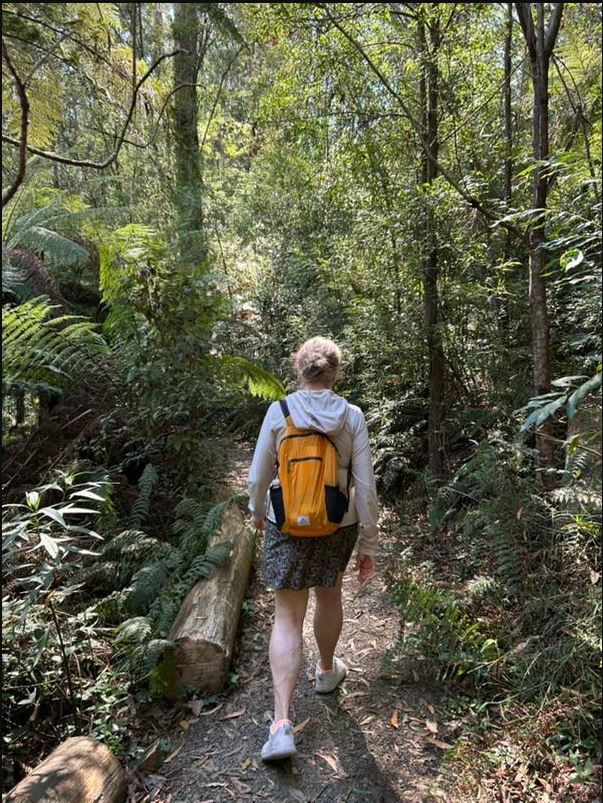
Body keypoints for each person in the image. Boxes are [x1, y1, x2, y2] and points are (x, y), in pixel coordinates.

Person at [247, 336, 379, 761]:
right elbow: (366, 488)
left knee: (287, 615)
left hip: (284, 521)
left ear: (298, 371)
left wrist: (256, 513)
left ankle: (281, 725)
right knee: (329, 593)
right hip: (336, 524)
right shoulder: (351, 416)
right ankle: (326, 671)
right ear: (335, 373)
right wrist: (368, 543)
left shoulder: (278, 411)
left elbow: (257, 476)